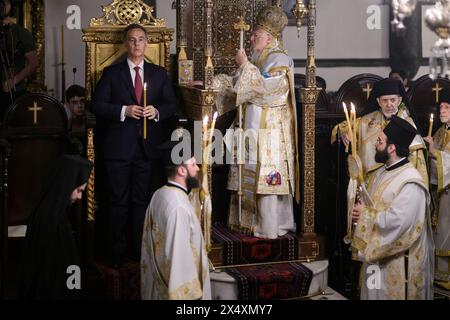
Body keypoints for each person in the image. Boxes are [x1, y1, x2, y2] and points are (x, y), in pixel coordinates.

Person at [91, 23, 177, 267]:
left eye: (141, 39)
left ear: (146, 43)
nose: (136, 44)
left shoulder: (159, 74)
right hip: (118, 149)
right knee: (117, 202)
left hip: (147, 150)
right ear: (125, 44)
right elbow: (96, 105)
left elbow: (172, 105)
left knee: (141, 202)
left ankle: (138, 252)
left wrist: (157, 110)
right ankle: (116, 256)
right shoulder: (111, 73)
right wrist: (124, 110)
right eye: (131, 39)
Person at [213, 5, 299, 239]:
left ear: (270, 38)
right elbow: (238, 86)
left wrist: (244, 66)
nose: (251, 38)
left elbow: (269, 90)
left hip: (270, 128)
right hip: (251, 125)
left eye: (256, 35)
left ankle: (271, 225)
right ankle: (248, 222)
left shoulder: (280, 59)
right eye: (252, 34)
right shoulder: (258, 58)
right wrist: (211, 87)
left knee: (267, 177)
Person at [351, 115, 434, 300]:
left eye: (379, 141)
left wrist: (365, 215)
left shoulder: (410, 182)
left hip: (396, 264)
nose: (375, 144)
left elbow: (399, 223)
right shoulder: (382, 172)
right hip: (376, 262)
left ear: (392, 147)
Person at [140, 139, 211, 300]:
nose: (198, 168)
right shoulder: (178, 207)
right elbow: (179, 257)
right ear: (181, 170)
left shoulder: (160, 194)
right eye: (193, 164)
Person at [19, 154, 93, 299]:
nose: (79, 197)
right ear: (67, 184)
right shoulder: (51, 219)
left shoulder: (52, 212)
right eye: (78, 190)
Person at [332, 78, 428, 185]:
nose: (389, 105)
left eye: (393, 100)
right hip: (371, 182)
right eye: (385, 100)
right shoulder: (367, 120)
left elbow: (419, 163)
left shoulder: (408, 124)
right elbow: (342, 127)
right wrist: (346, 133)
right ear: (378, 101)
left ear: (399, 100)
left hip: (398, 181)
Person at [424, 89, 450, 290]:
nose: (442, 110)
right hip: (440, 191)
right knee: (440, 231)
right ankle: (440, 273)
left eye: (447, 107)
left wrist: (434, 152)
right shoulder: (441, 130)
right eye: (441, 106)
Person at [0, 0, 38, 116]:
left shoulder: (21, 33)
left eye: (5, 2)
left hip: (14, 91)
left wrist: (13, 81)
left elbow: (33, 63)